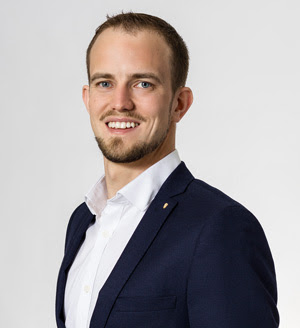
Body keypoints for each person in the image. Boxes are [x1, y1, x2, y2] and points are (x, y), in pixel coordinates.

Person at [56, 12, 279, 328]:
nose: (120, 102)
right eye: (105, 83)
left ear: (179, 104)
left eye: (143, 83)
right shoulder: (82, 222)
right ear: (88, 98)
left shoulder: (220, 228)